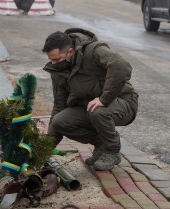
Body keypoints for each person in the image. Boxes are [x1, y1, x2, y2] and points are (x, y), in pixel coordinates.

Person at [42, 28, 138, 171]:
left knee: (98, 111)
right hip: (91, 107)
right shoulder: (59, 71)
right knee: (59, 121)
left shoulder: (93, 51)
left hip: (123, 102)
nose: (54, 64)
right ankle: (101, 145)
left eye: (57, 59)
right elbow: (59, 106)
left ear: (70, 52)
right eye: (51, 60)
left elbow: (121, 65)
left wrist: (104, 99)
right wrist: (44, 150)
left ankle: (112, 151)